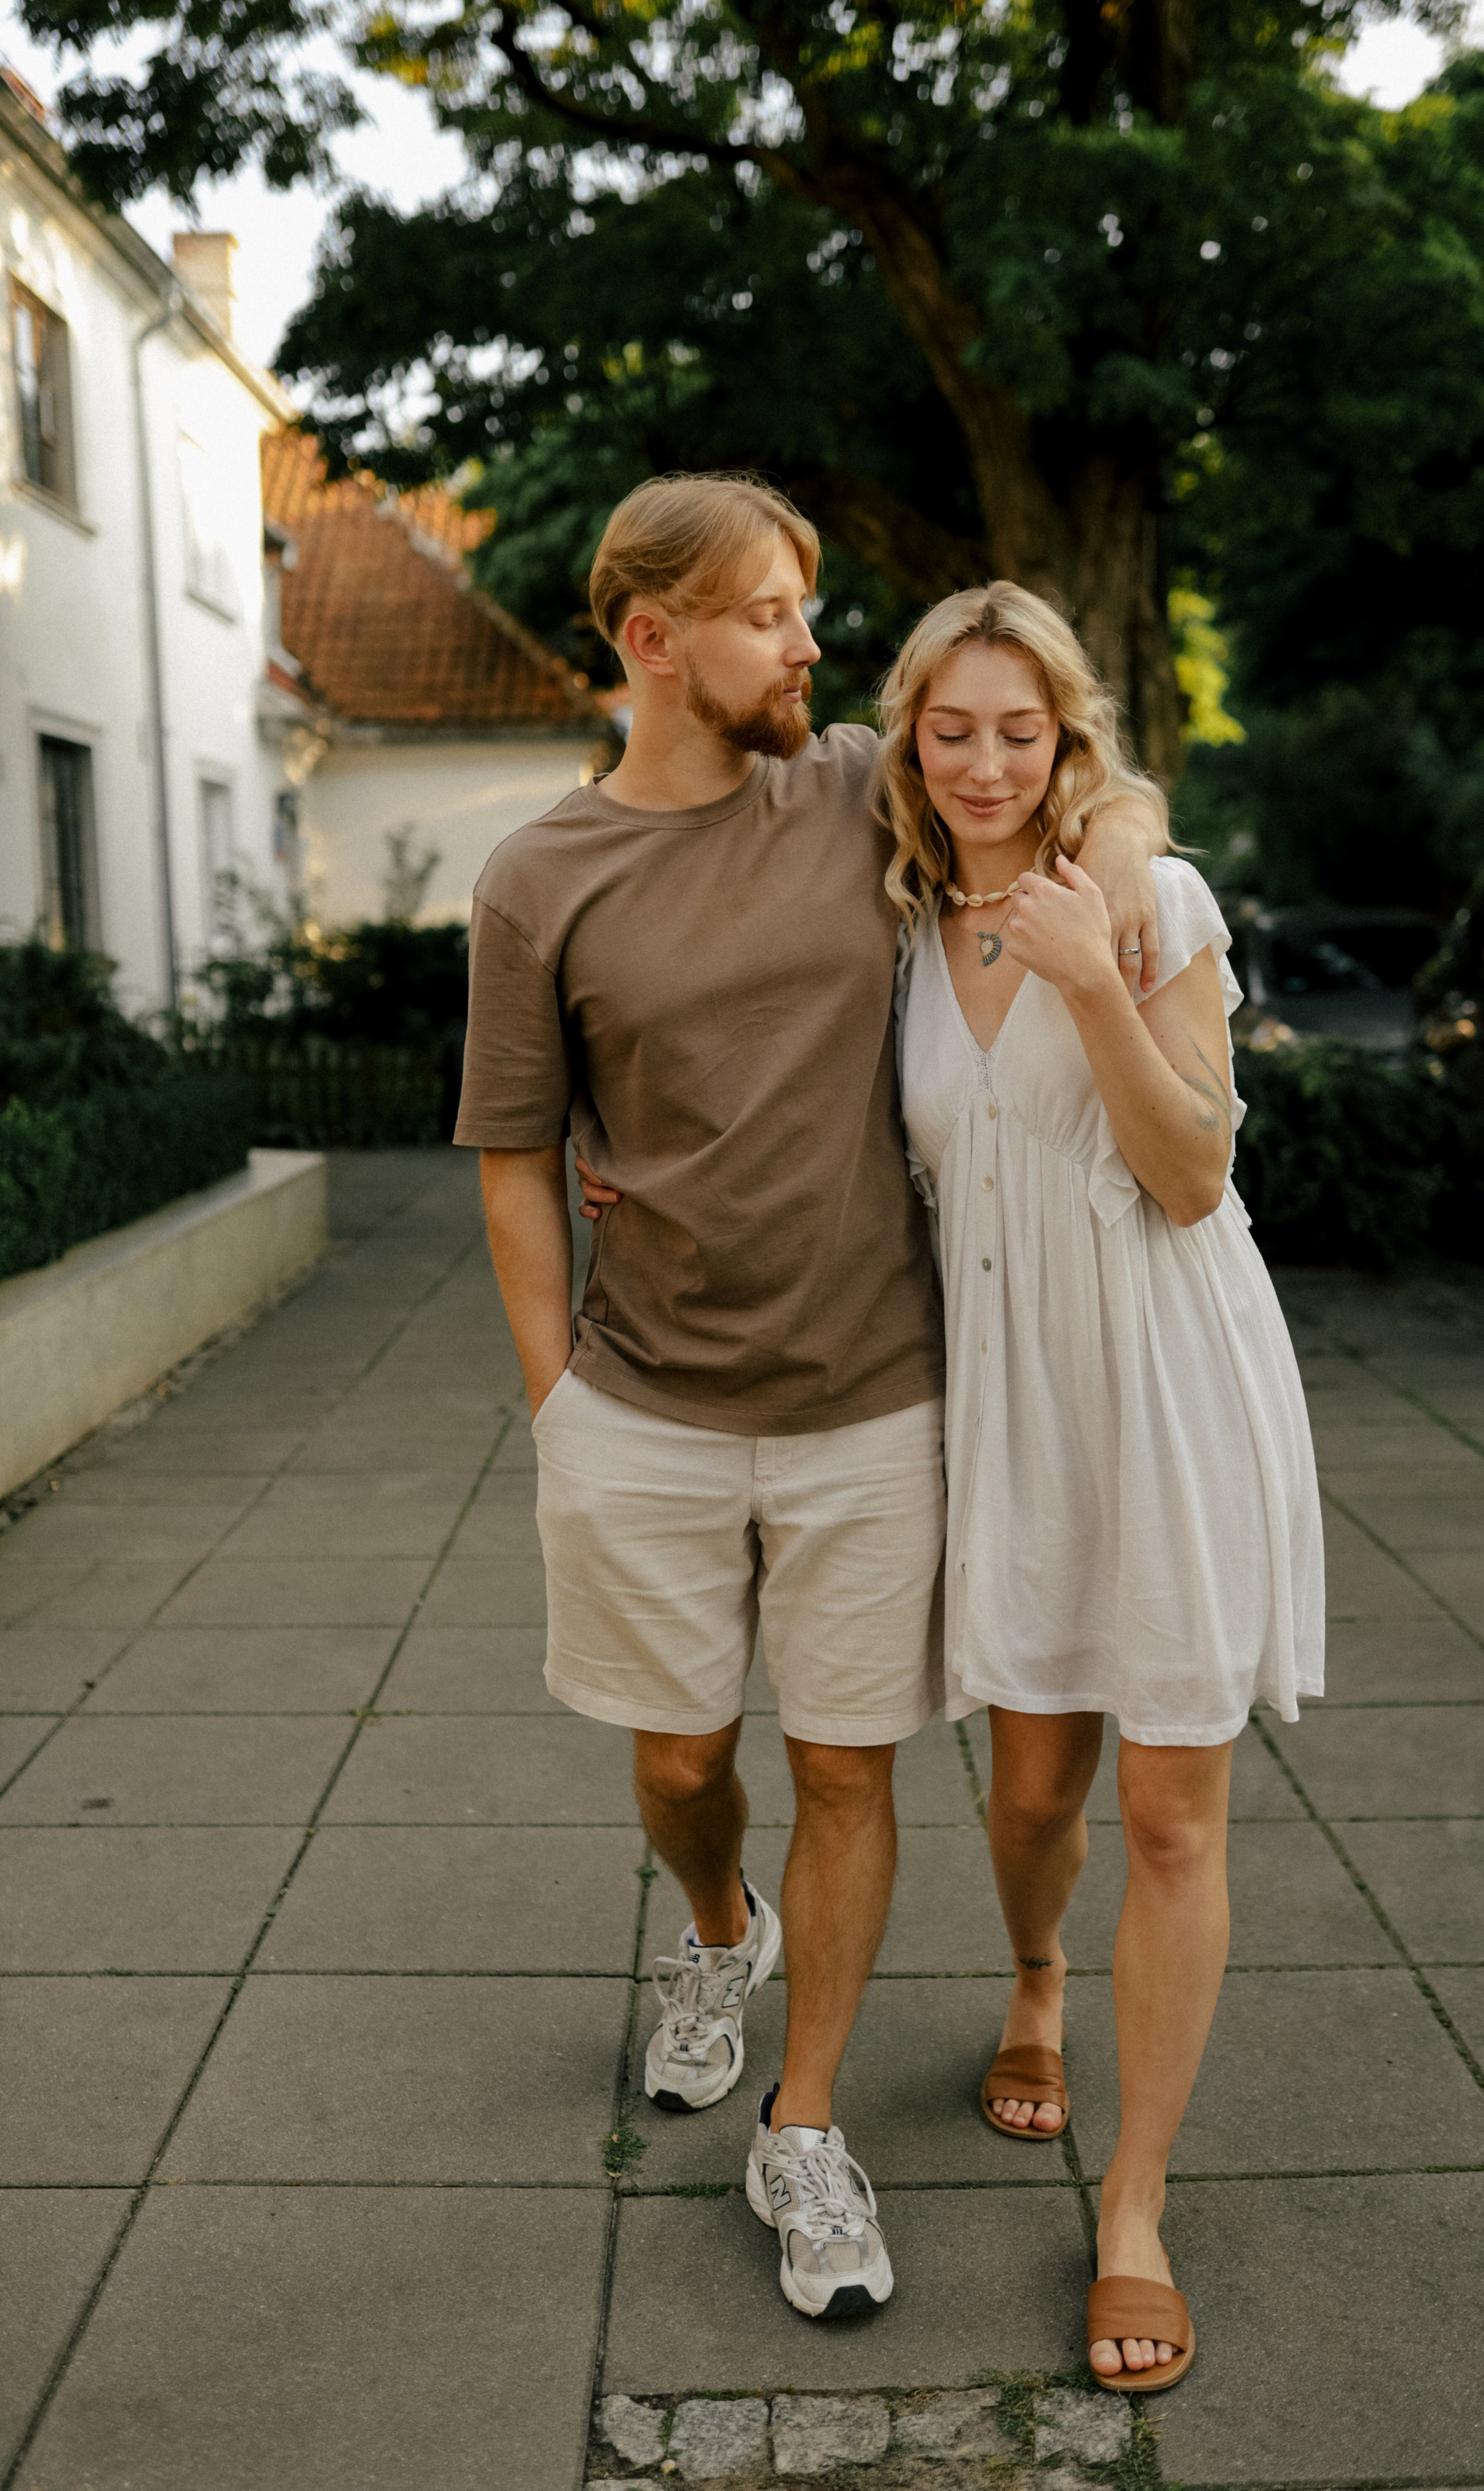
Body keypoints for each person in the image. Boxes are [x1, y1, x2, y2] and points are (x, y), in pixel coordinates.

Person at [453, 477, 1166, 2321]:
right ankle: (717, 1931)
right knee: (685, 1759)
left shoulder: (862, 783)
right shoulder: (541, 879)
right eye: (772, 611)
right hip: (643, 1408)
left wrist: (1133, 839)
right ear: (652, 638)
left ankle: (808, 2125)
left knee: (849, 1769)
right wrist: (557, 1406)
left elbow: (1078, 782)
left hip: (876, 1401)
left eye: (811, 607)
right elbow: (517, 1156)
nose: (809, 643)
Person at [884, 583, 1324, 2390]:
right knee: (1029, 1791)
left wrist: (1093, 977)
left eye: (1024, 730)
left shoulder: (1147, 899)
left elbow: (1196, 1174)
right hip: (1010, 1397)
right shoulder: (896, 914)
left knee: (1169, 1816)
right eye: (952, 728)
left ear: (1073, 741)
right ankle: (1038, 1980)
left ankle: (1134, 2199)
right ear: (910, 737)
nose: (987, 763)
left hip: (1163, 1375)